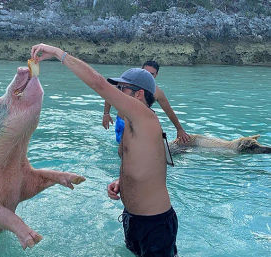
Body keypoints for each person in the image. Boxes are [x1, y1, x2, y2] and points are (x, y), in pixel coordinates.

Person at [31, 43, 178, 257]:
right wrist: (122, 183)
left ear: (138, 95)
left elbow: (99, 84)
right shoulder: (130, 123)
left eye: (122, 88)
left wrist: (56, 53)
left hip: (155, 224)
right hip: (133, 219)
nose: (117, 92)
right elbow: (144, 164)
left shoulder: (145, 117)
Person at [102, 60, 190, 144]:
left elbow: (169, 111)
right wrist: (106, 113)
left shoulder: (157, 93)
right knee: (122, 149)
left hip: (140, 125)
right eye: (145, 72)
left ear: (156, 75)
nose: (148, 75)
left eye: (151, 74)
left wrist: (179, 129)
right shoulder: (125, 86)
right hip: (123, 122)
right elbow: (109, 95)